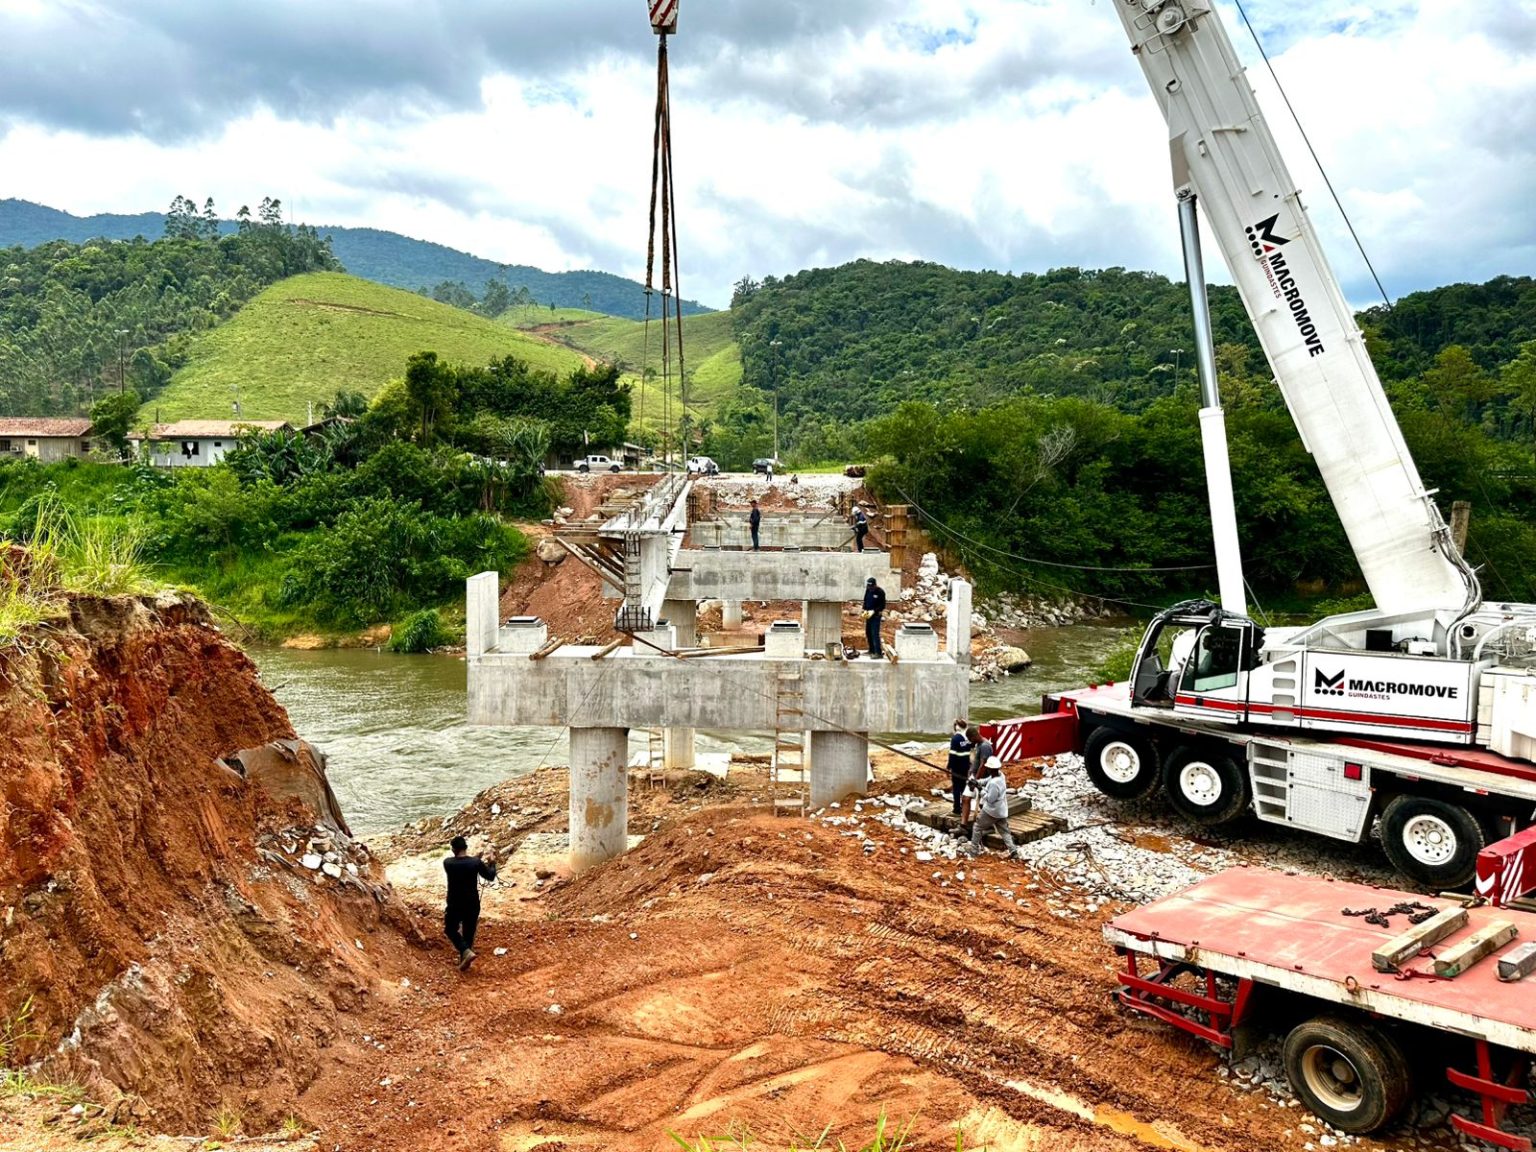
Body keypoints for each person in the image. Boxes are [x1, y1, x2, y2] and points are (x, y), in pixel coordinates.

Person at [443, 834, 497, 970]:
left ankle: (465, 953)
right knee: (468, 932)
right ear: (466, 847)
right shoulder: (475, 863)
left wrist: (476, 859)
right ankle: (465, 959)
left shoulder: (448, 863)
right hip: (472, 903)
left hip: (455, 903)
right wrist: (492, 863)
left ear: (453, 849)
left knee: (450, 929)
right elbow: (490, 876)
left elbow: (464, 863)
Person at [968, 756, 1018, 857]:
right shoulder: (1000, 775)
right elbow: (986, 780)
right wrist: (977, 782)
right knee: (1004, 832)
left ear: (990, 769)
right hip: (1001, 811)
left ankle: (973, 851)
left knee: (977, 827)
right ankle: (1013, 850)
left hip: (992, 811)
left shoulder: (994, 784)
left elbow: (990, 799)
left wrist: (980, 789)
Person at [946, 719, 973, 817]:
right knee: (963, 787)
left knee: (956, 788)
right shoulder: (967, 738)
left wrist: (949, 767)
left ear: (956, 727)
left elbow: (952, 755)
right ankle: (964, 807)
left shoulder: (955, 738)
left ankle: (957, 809)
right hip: (965, 766)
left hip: (957, 767)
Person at [862, 576, 886, 658]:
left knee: (875, 633)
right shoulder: (868, 590)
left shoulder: (880, 592)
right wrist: (864, 609)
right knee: (868, 632)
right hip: (868, 614)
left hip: (876, 616)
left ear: (875, 585)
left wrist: (874, 611)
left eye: (871, 586)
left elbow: (882, 605)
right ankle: (871, 650)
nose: (870, 588)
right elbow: (865, 600)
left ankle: (878, 653)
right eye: (869, 586)